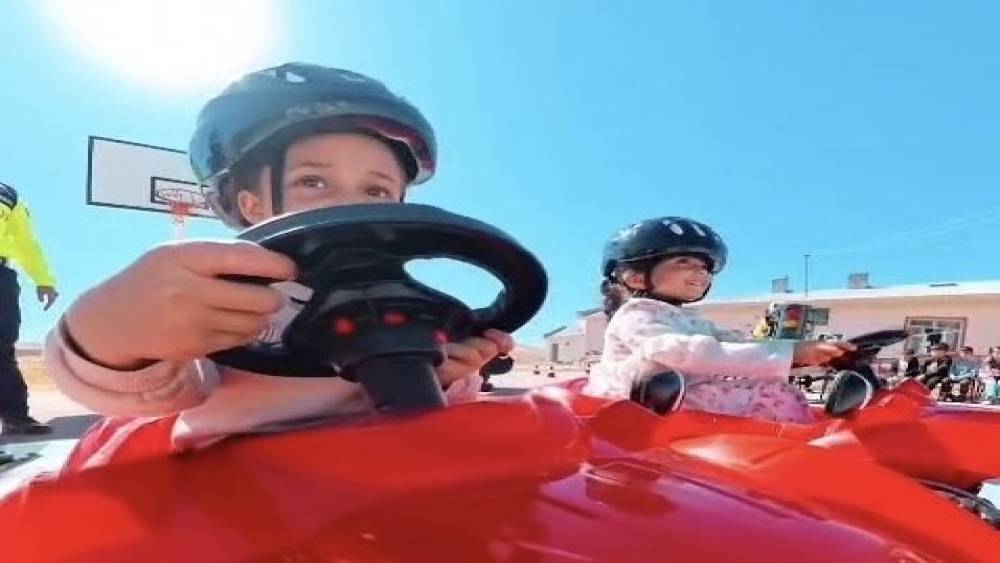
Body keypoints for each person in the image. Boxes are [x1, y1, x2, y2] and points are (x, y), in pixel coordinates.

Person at [46, 63, 511, 467]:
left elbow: (429, 415)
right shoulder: (223, 296)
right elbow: (143, 387)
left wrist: (446, 376)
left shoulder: (412, 305)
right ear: (252, 206)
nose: (349, 202)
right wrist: (110, 334)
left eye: (375, 191)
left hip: (385, 477)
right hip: (234, 496)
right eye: (314, 182)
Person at [584, 216, 854, 423]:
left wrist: (805, 356)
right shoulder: (636, 314)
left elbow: (736, 344)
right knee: (771, 395)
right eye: (684, 261)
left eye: (706, 266)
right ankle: (790, 454)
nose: (701, 272)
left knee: (776, 391)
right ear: (635, 277)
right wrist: (789, 354)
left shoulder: (690, 320)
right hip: (636, 412)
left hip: (681, 402)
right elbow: (677, 352)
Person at [0, 181, 58, 435]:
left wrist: (43, 279)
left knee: (2, 347)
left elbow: (25, 241)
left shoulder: (7, 195)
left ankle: (15, 417)